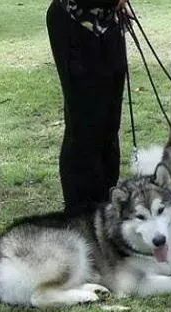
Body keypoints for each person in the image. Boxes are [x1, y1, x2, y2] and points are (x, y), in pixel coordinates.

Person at [46, 0, 128, 215]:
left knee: (110, 122)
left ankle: (105, 205)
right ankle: (81, 213)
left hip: (108, 22)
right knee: (86, 123)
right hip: (74, 24)